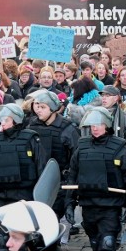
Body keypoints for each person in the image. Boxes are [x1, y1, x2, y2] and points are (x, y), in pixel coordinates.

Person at [66, 107, 126, 251]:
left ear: (107, 125)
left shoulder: (119, 147)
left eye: (99, 125)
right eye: (92, 125)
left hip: (110, 205)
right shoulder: (82, 146)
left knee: (107, 243)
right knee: (97, 245)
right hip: (89, 204)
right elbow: (73, 174)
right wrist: (69, 204)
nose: (95, 129)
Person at [0, 104, 47, 251]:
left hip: (24, 197)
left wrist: (39, 200)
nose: (2, 123)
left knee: (23, 239)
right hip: (1, 196)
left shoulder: (31, 139)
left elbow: (41, 169)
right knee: (0, 240)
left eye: (5, 119)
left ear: (15, 120)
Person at [26, 90, 79, 219]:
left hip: (59, 184)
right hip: (36, 182)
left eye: (43, 107)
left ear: (53, 109)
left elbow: (76, 159)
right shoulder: (31, 127)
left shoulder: (67, 129)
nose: (39, 110)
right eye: (37, 106)